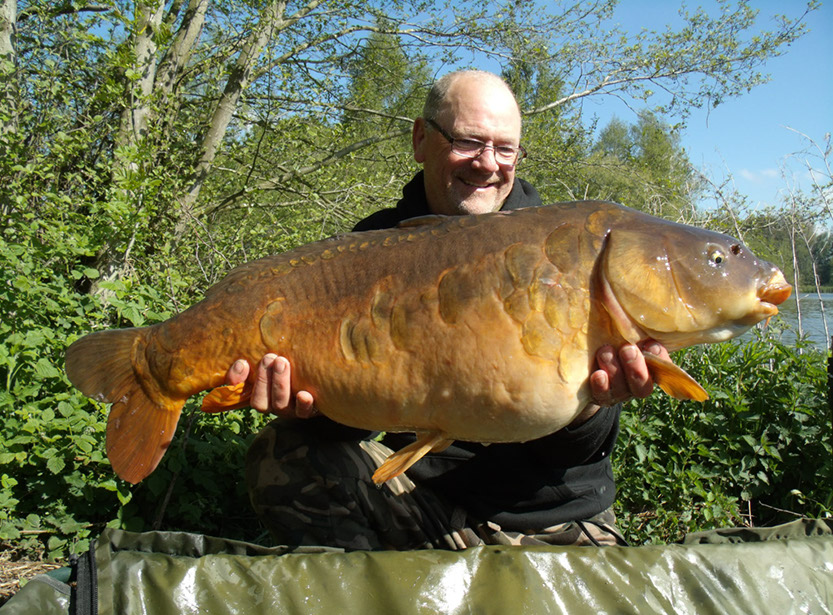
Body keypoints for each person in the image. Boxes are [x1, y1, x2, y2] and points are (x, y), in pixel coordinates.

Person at [227, 70, 669, 550]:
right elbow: (362, 410)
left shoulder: (563, 256)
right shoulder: (370, 249)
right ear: (421, 138)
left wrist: (594, 406)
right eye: (468, 141)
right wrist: (309, 405)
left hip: (546, 516)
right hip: (421, 499)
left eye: (505, 149)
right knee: (283, 453)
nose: (487, 164)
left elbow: (581, 452)